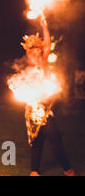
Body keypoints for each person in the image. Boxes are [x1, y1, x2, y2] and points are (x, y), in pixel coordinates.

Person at [20, 15, 75, 176]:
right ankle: (34, 171)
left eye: (39, 52)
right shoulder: (27, 70)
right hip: (32, 109)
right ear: (29, 56)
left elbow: (48, 45)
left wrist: (44, 26)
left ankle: (67, 169)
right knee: (36, 140)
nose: (37, 55)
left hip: (46, 109)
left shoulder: (44, 65)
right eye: (34, 53)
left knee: (55, 137)